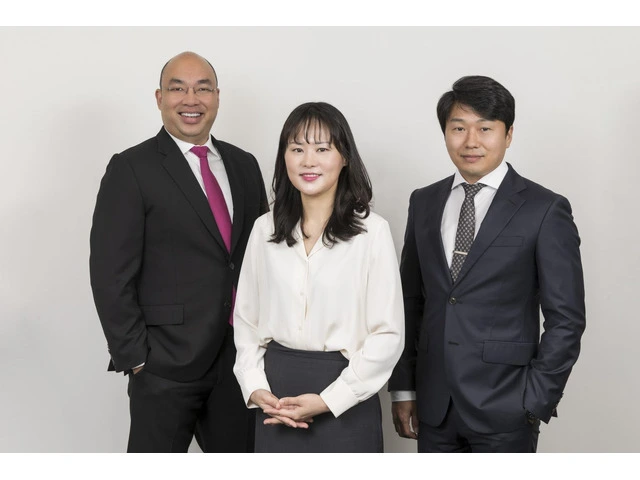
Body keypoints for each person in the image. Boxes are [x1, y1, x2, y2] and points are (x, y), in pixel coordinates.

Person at [388, 75, 586, 453]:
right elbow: (410, 302)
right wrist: (404, 388)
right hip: (433, 406)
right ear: (445, 133)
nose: (471, 141)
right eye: (458, 128)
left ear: (508, 134)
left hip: (507, 408)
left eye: (485, 128)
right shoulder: (424, 202)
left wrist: (535, 399)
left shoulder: (545, 209)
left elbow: (567, 318)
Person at [89, 51, 268, 452]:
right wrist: (137, 358)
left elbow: (259, 258)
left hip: (239, 361)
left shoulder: (244, 165)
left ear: (217, 97)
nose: (191, 100)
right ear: (159, 98)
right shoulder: (131, 168)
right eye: (177, 89)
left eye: (203, 89)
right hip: (164, 365)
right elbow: (109, 272)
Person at [232, 102, 404, 453]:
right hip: (276, 399)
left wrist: (330, 399)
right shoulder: (264, 230)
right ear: (284, 158)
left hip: (347, 396)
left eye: (322, 149)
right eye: (297, 149)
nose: (308, 161)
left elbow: (388, 334)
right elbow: (246, 320)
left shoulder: (372, 232)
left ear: (344, 158)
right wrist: (254, 386)